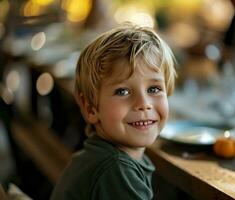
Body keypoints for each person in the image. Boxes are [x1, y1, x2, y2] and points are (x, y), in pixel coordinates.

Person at [50, 23, 177, 200]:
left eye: (154, 89)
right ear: (91, 109)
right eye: (122, 91)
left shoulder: (101, 156)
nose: (143, 104)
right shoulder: (115, 171)